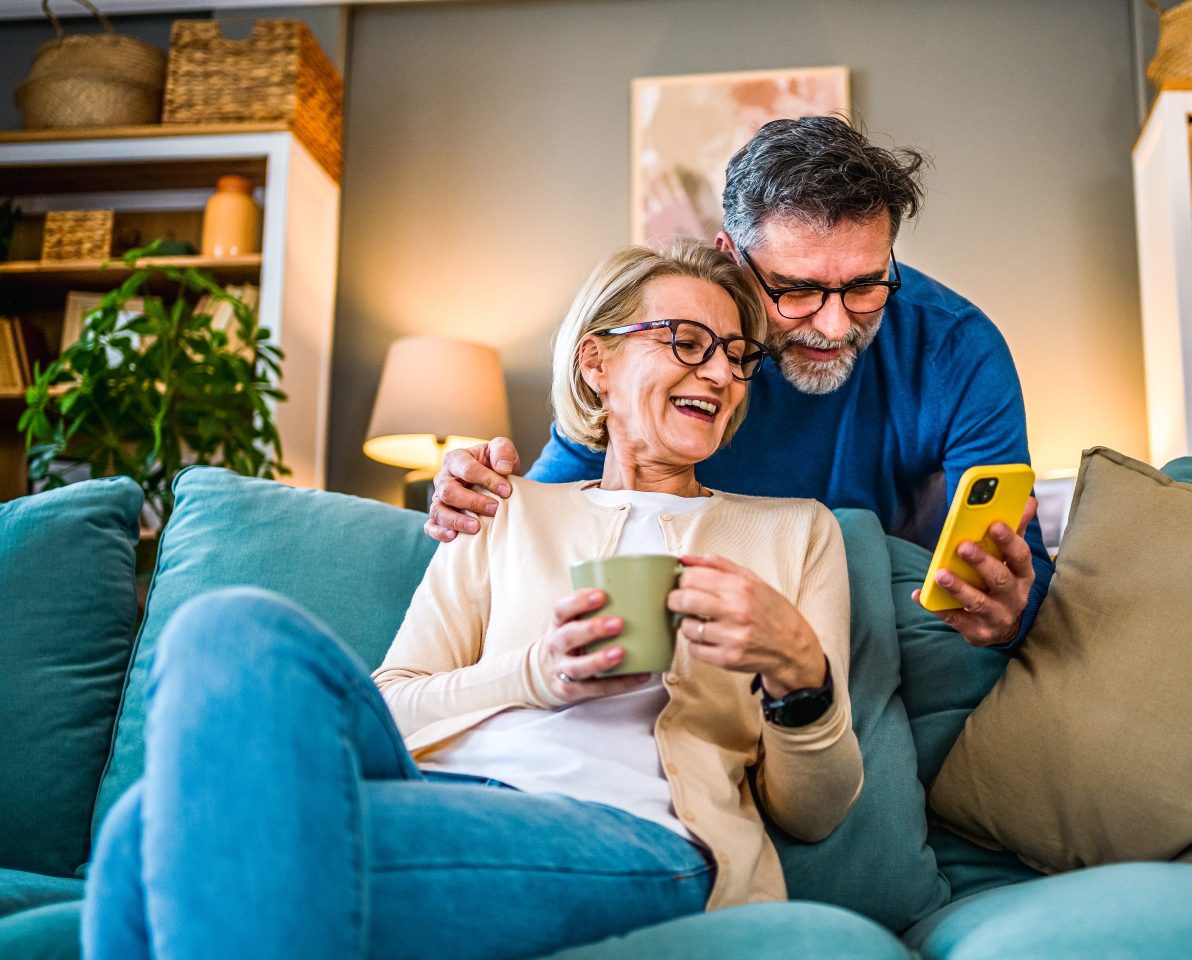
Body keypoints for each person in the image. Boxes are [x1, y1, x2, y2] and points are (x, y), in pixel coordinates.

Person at [82, 240, 862, 960]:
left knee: (140, 845)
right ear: (598, 362)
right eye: (687, 342)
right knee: (228, 627)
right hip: (432, 791)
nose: (722, 374)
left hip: (626, 831)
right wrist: (534, 675)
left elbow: (814, 813)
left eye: (737, 355)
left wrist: (801, 673)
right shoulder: (503, 507)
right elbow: (391, 705)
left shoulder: (794, 533)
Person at [428, 116, 1054, 649]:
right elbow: (543, 515)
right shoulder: (665, 353)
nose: (835, 325)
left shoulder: (958, 347)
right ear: (730, 254)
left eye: (865, 285)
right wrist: (476, 502)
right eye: (798, 288)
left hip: (876, 624)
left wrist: (1005, 617)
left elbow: (1021, 578)